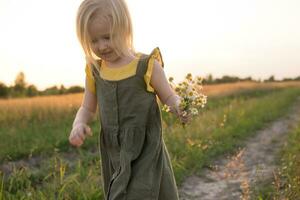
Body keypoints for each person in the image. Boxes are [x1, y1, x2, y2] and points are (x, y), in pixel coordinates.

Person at [69, 0, 190, 199]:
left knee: (142, 192)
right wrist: (79, 123)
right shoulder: (95, 71)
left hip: (146, 149)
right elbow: (87, 108)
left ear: (124, 28)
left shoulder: (146, 65)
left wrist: (179, 107)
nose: (102, 46)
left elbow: (168, 96)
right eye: (94, 40)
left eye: (107, 37)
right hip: (115, 152)